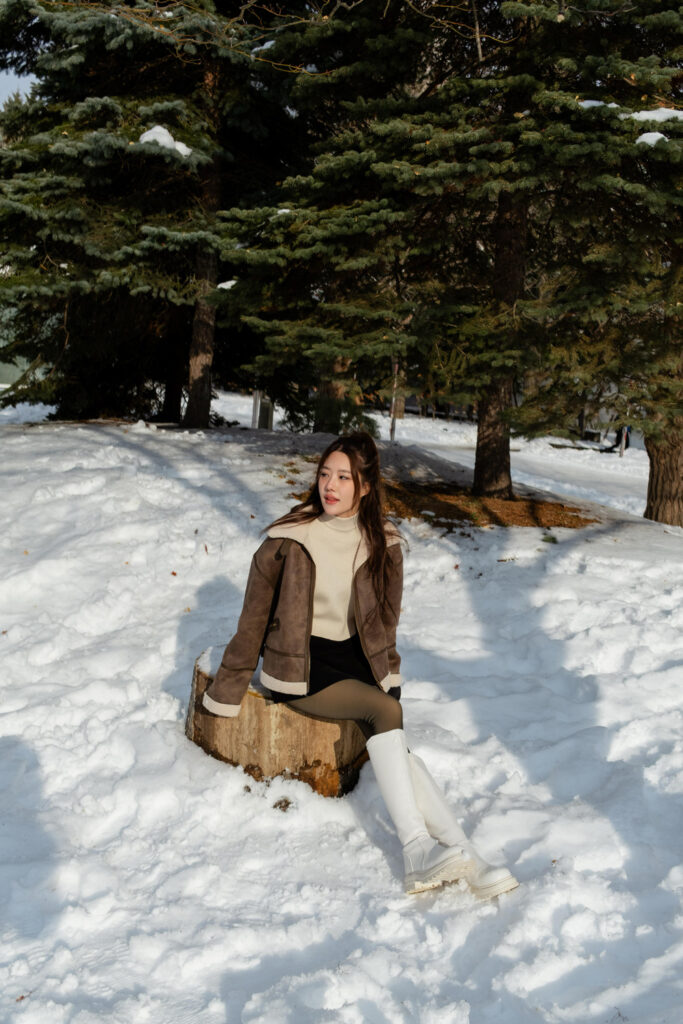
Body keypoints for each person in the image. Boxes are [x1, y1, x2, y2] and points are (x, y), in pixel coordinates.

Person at [203, 433, 518, 899]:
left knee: (397, 747)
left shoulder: (383, 544)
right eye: (324, 474)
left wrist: (389, 677)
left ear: (366, 486)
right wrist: (226, 691)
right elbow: (251, 623)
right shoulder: (287, 539)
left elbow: (385, 625)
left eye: (344, 478)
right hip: (301, 668)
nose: (330, 485)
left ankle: (469, 859)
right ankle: (417, 852)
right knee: (385, 714)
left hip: (355, 662)